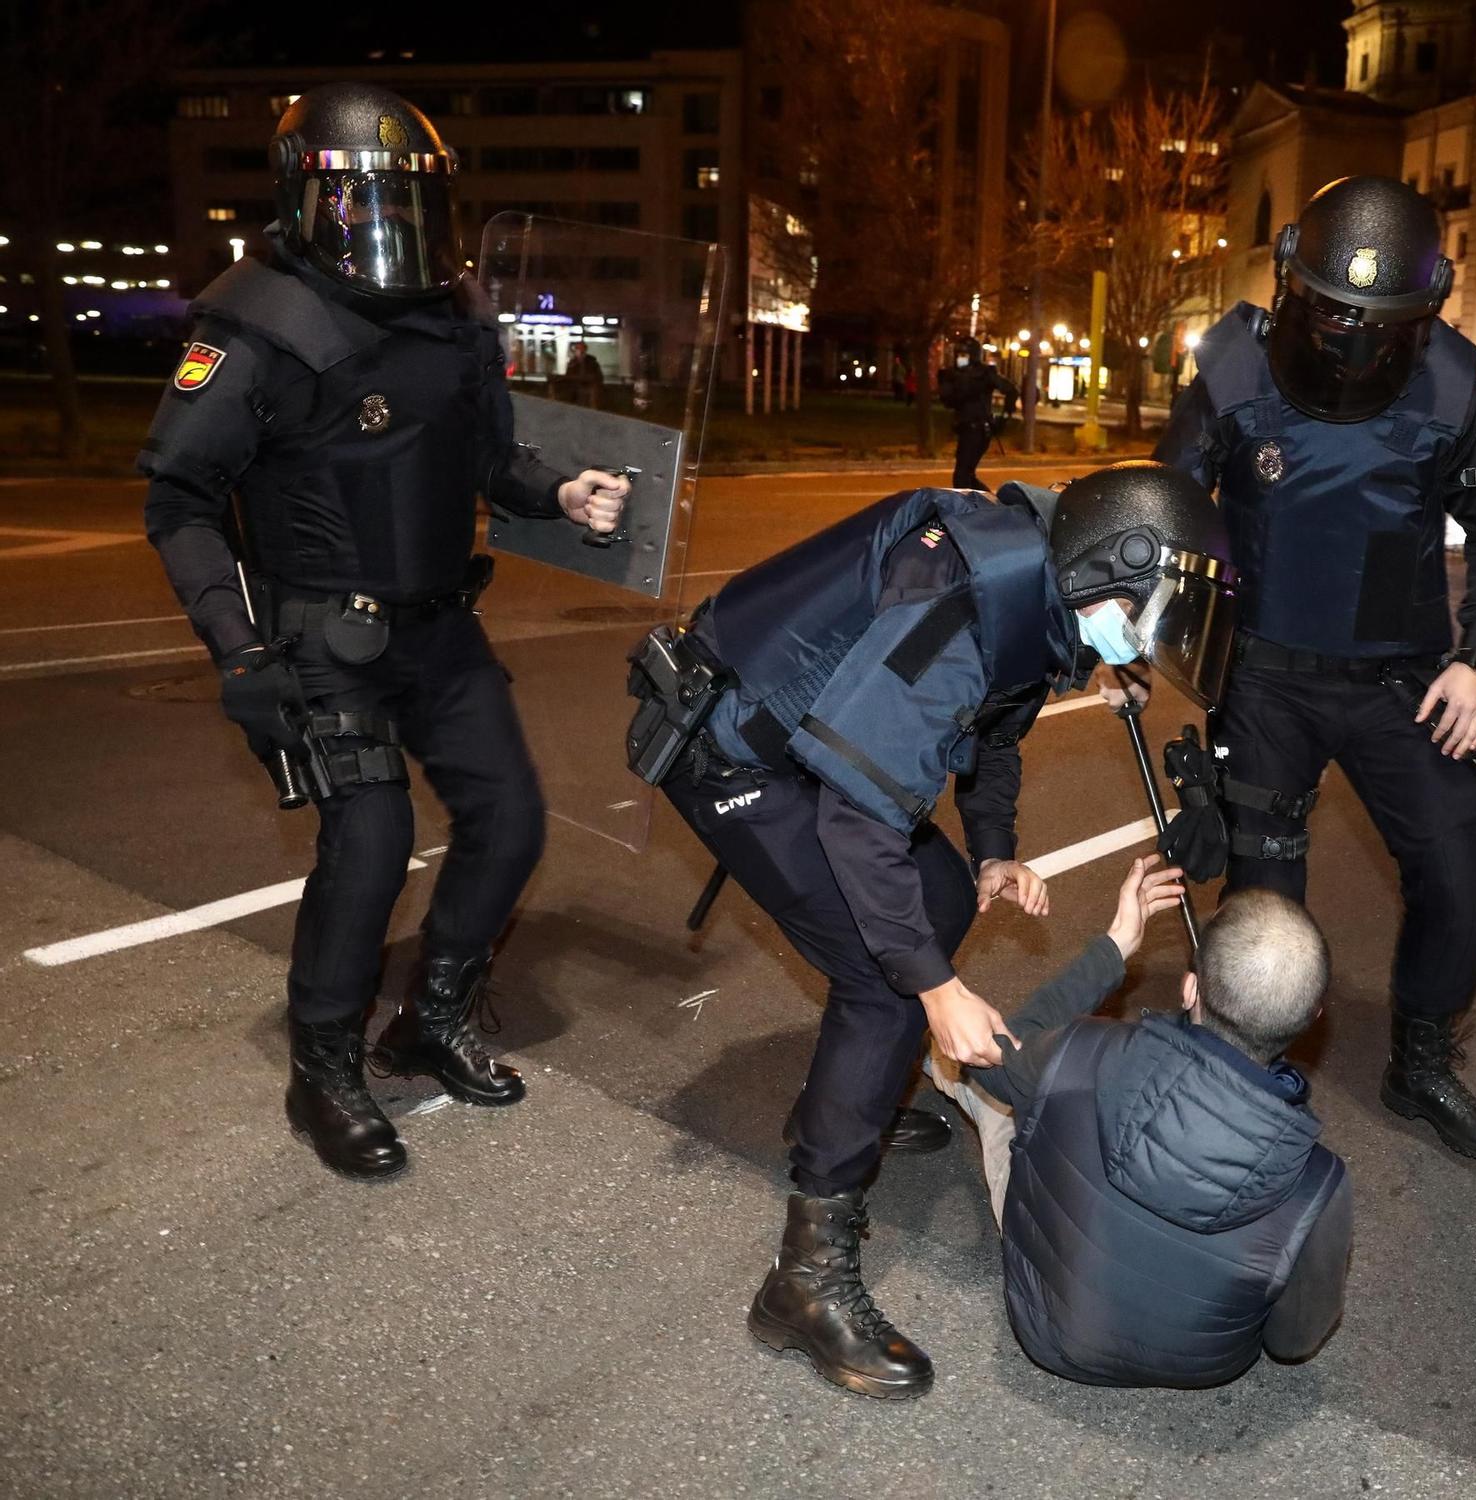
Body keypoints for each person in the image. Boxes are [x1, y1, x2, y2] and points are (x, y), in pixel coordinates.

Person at [639, 461, 1239, 1399]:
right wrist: (935, 988)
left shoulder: (1044, 590)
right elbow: (852, 818)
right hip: (735, 751)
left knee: (947, 898)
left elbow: (995, 732)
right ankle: (804, 1281)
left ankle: (837, 1103)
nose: (1139, 641)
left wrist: (995, 849)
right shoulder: (962, 601)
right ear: (1106, 567)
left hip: (813, 740)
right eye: (1142, 612)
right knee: (887, 983)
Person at [138, 84, 630, 1181]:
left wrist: (561, 492)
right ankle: (323, 1067)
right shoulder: (255, 322)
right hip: (320, 636)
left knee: (509, 821)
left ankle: (428, 1019)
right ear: (309, 203)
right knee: (366, 847)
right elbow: (176, 499)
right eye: (365, 208)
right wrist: (240, 650)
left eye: (408, 209)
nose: (390, 234)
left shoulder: (452, 319)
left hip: (438, 626)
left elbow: (491, 460)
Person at [1154, 175, 1476, 1162]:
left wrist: (1475, 662)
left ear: (1424, 313)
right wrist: (1136, 623)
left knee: (1458, 871)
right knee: (1264, 914)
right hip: (1267, 682)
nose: (1349, 340)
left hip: (1400, 683)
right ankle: (1241, 1085)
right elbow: (1162, 511)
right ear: (1288, 280)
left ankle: (1417, 1068)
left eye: (1377, 321)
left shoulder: (1452, 386)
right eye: (1329, 312)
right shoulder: (1232, 369)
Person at [927, 863, 1354, 1388]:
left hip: (1047, 1323)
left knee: (999, 1094)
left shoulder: (1087, 1052)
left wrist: (1115, 946)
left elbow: (995, 1050)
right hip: (1198, 1366)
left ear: (1190, 988)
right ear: (1312, 1019)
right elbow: (1293, 1341)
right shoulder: (1319, 1181)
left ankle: (934, 1063)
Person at [936, 336, 1019, 490]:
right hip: (965, 429)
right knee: (967, 475)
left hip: (979, 429)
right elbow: (947, 400)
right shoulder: (954, 375)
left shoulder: (984, 373)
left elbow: (1011, 390)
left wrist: (1004, 417)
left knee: (962, 476)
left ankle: (976, 509)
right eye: (958, 354)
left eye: (964, 354)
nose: (960, 358)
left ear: (973, 355)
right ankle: (989, 505)